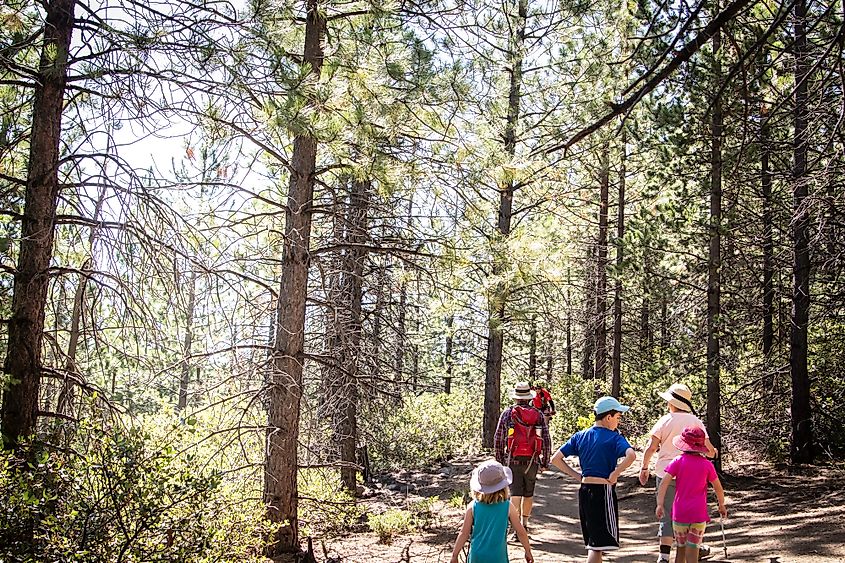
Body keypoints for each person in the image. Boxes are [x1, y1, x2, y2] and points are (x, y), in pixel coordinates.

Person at [550, 396, 636, 563]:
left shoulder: (580, 436)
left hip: (584, 491)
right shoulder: (614, 438)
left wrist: (577, 475)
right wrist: (616, 473)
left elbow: (555, 459)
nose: (618, 421)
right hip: (603, 492)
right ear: (608, 417)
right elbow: (631, 455)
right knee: (597, 546)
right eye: (617, 417)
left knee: (593, 543)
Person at [638, 383, 717, 563]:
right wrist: (713, 453)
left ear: (672, 403)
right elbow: (708, 449)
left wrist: (644, 467)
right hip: (691, 474)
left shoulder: (664, 420)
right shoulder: (695, 422)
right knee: (691, 511)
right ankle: (693, 549)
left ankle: (664, 556)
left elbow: (651, 448)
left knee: (666, 512)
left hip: (665, 472)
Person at [655, 426, 727, 563]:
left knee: (680, 550)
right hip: (698, 515)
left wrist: (660, 504)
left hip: (680, 514)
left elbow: (664, 483)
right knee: (693, 550)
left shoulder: (677, 461)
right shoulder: (707, 465)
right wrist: (721, 504)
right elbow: (718, 487)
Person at [494, 381, 551, 537]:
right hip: (532, 460)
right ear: (529, 397)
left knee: (515, 493)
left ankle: (515, 529)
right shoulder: (538, 414)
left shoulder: (507, 414)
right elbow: (546, 439)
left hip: (512, 459)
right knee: (529, 493)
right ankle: (524, 525)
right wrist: (545, 461)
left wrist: (500, 460)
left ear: (516, 397)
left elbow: (498, 438)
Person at [449, 459, 534, 563]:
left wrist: (454, 555)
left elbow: (464, 533)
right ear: (503, 486)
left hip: (477, 556)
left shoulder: (473, 507)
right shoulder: (508, 506)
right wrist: (528, 551)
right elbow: (520, 532)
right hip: (498, 556)